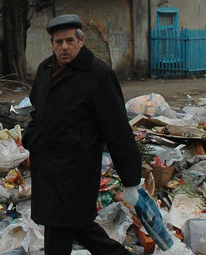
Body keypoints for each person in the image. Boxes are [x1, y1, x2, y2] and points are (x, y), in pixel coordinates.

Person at [24, 14, 142, 255]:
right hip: (47, 169)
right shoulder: (45, 70)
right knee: (75, 226)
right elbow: (37, 109)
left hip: (76, 171)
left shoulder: (98, 75)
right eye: (58, 42)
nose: (64, 47)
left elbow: (117, 129)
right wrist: (31, 138)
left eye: (69, 40)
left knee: (61, 226)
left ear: (81, 40)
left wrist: (131, 179)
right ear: (52, 44)